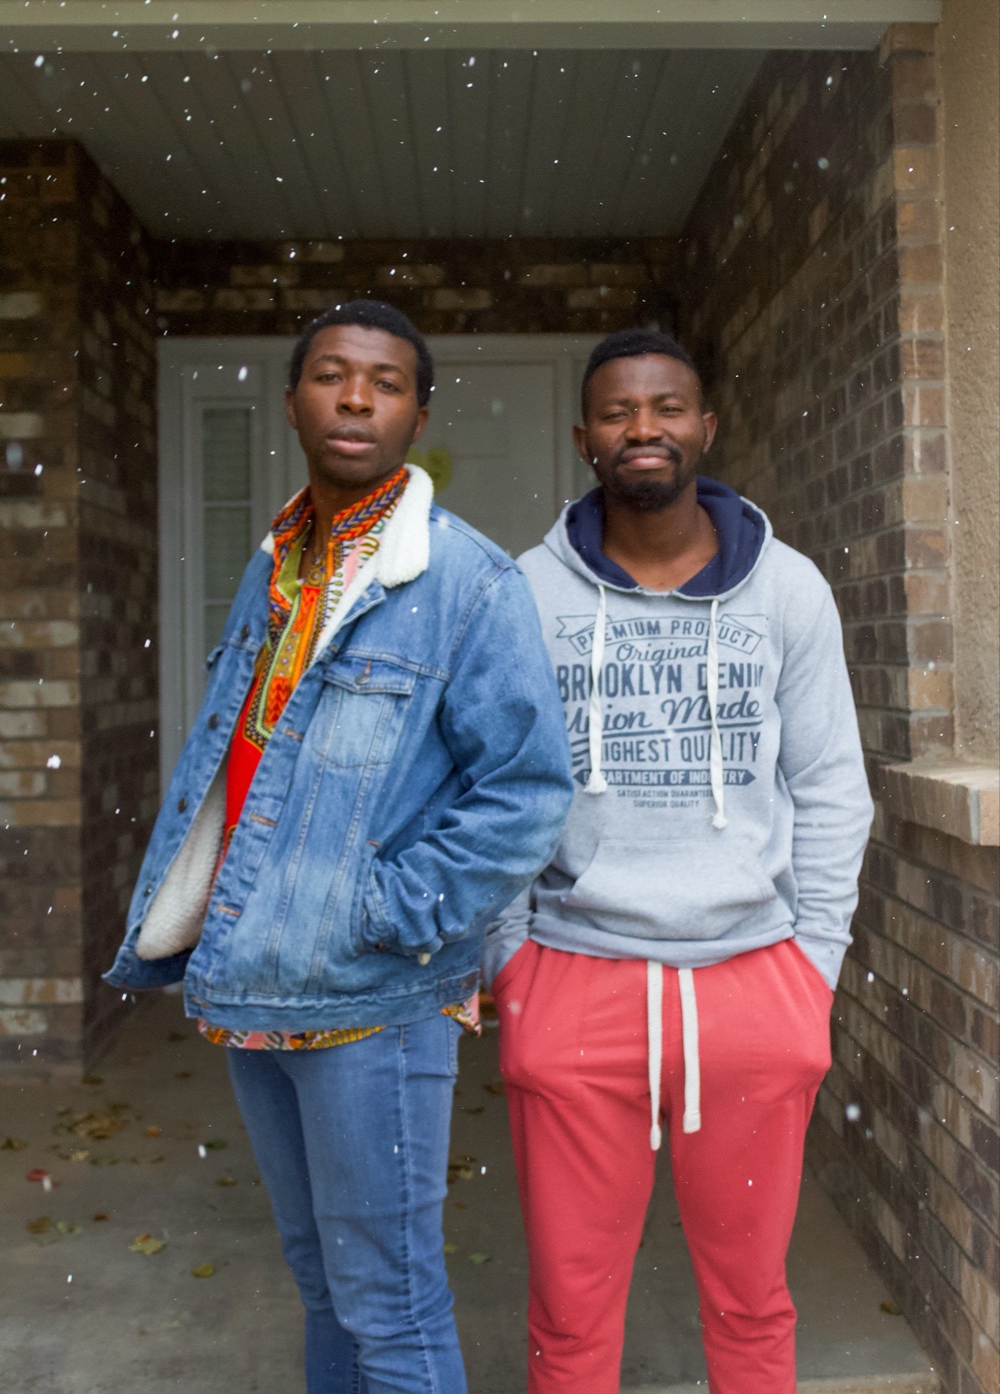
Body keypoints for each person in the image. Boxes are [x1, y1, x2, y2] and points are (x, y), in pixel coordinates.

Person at [106, 299, 573, 1394]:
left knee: (390, 1305)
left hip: (370, 997)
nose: (356, 398)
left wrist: (383, 911)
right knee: (321, 1281)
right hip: (254, 978)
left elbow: (526, 792)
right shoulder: (275, 563)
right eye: (331, 374)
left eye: (386, 382)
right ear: (292, 401)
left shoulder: (467, 584)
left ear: (417, 415)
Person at [484, 328, 873, 1394]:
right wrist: (510, 962)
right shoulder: (525, 592)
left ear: (705, 426)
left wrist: (813, 968)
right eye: (618, 411)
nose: (642, 427)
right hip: (574, 976)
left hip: (752, 982)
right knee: (569, 1313)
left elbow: (831, 785)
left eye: (665, 407)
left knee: (751, 1300)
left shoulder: (787, 589)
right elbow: (495, 787)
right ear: (584, 438)